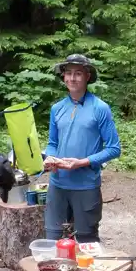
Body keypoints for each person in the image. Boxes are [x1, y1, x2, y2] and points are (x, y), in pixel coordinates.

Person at [43, 54, 121, 242]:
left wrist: (82, 162)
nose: (72, 78)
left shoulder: (100, 108)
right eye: (68, 73)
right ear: (63, 76)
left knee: (87, 241)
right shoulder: (57, 108)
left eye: (78, 73)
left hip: (86, 186)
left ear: (87, 76)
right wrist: (50, 158)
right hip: (57, 185)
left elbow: (114, 148)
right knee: (54, 239)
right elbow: (52, 143)